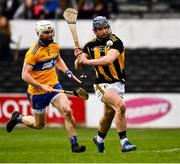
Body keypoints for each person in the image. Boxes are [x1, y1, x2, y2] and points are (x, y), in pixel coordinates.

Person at [6, 20, 86, 153]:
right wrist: (41, 86)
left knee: (67, 111)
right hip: (37, 92)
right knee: (39, 125)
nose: (49, 35)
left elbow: (58, 60)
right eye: (46, 32)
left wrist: (68, 72)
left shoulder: (54, 46)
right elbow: (25, 75)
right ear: (38, 34)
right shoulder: (33, 53)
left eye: (51, 32)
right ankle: (19, 118)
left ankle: (74, 145)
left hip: (54, 86)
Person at [74, 16, 137, 153]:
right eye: (100, 29)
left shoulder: (116, 41)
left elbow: (109, 60)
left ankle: (99, 139)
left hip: (118, 83)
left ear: (109, 27)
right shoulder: (89, 45)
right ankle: (124, 142)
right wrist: (79, 58)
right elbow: (78, 67)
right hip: (101, 84)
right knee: (120, 106)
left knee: (109, 114)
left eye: (105, 28)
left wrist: (87, 61)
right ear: (94, 31)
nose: (103, 31)